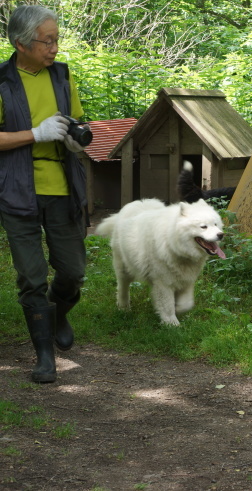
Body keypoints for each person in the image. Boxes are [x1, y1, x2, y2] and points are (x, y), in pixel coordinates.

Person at [0, 5, 89, 383]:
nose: (54, 48)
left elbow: (80, 122)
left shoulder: (63, 77)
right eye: (47, 41)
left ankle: (59, 313)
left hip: (60, 187)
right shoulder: (2, 82)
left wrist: (74, 140)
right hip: (16, 190)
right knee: (32, 277)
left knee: (73, 270)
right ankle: (44, 356)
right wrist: (35, 134)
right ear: (21, 43)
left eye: (57, 40)